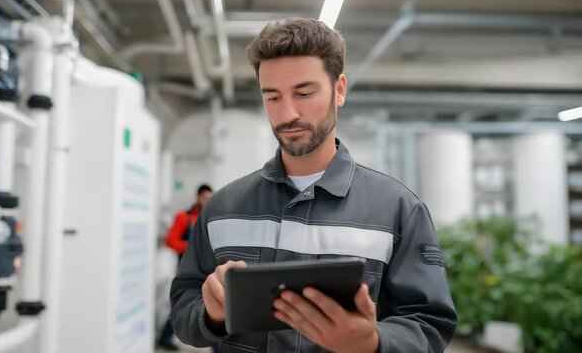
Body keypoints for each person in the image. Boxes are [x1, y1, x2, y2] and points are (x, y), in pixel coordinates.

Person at [170, 18, 457, 352]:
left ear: (339, 89)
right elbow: (183, 306)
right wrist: (211, 315)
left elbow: (429, 323)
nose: (287, 113)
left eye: (304, 93)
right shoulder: (221, 209)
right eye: (272, 97)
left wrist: (374, 342)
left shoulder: (398, 211)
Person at [157, 184, 213, 351]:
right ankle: (165, 337)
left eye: (210, 198)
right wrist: (191, 246)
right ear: (198, 197)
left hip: (208, 269)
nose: (207, 201)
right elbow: (170, 241)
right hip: (186, 270)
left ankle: (216, 345)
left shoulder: (212, 216)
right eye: (205, 198)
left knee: (212, 303)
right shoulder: (183, 217)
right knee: (182, 305)